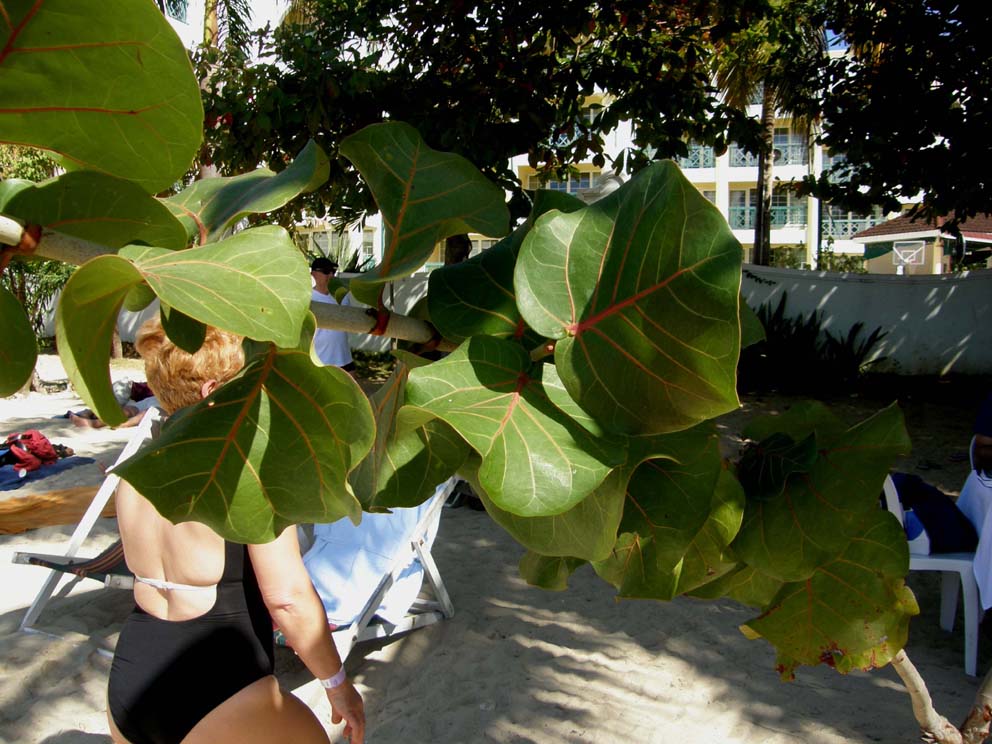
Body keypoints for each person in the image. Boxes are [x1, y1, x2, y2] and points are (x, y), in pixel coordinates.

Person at [107, 316, 365, 744]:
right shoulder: (245, 475)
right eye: (251, 380)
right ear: (213, 392)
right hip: (219, 685)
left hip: (133, 676)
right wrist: (337, 685)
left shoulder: (136, 469)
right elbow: (287, 599)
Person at [310, 257, 355, 373]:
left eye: (333, 272)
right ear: (314, 274)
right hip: (320, 362)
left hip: (345, 360)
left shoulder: (342, 297)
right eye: (326, 272)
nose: (330, 275)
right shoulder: (308, 299)